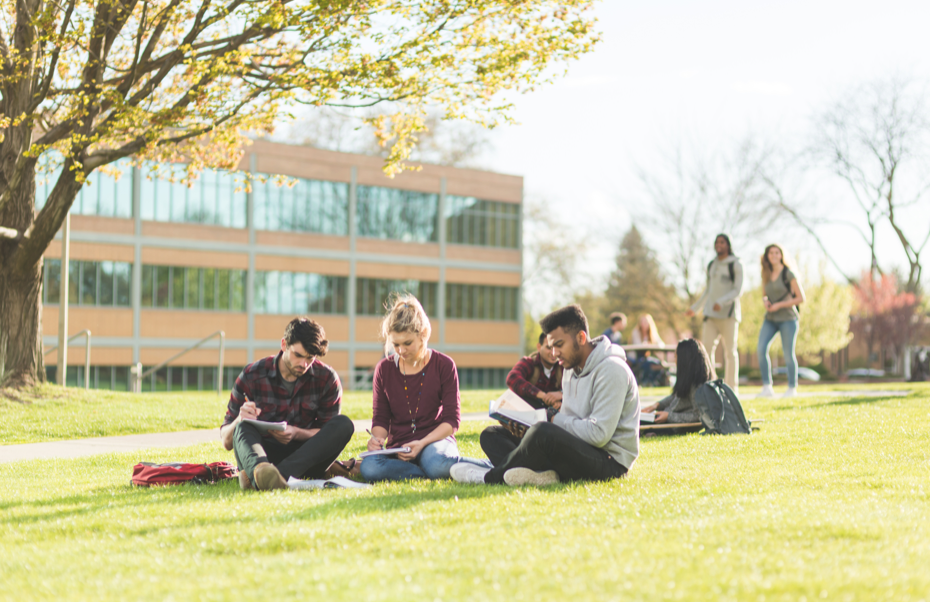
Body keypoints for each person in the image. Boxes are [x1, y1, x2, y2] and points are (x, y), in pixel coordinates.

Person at [450, 304, 640, 487]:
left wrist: (551, 419)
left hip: (609, 462)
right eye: (551, 346)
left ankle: (490, 477)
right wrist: (528, 429)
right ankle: (543, 475)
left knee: (543, 432)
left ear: (581, 338)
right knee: (492, 435)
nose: (555, 354)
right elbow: (568, 423)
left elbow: (598, 435)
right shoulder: (570, 368)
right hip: (579, 449)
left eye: (559, 345)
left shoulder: (612, 370)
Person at [359, 294, 492, 481]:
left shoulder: (444, 365)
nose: (401, 350)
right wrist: (377, 440)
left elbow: (451, 421)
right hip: (399, 448)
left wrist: (422, 443)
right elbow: (380, 417)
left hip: (435, 443)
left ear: (423, 335)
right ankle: (432, 472)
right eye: (395, 344)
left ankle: (492, 467)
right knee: (370, 468)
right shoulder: (384, 369)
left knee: (436, 462)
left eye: (407, 343)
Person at [220, 317, 355, 491]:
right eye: (298, 355)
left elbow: (327, 434)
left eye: (310, 358)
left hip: (305, 458)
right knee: (241, 426)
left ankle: (269, 477)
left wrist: (297, 433)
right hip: (262, 454)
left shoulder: (327, 378)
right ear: (284, 345)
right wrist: (240, 418)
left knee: (343, 424)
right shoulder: (252, 375)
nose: (303, 364)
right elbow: (226, 441)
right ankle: (262, 472)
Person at [479, 332, 563, 467]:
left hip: (551, 430)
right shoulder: (529, 363)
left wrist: (561, 394)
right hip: (525, 427)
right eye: (548, 347)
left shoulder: (564, 367)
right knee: (489, 435)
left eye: (555, 348)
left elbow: (578, 389)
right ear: (538, 347)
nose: (553, 353)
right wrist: (542, 395)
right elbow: (512, 379)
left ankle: (519, 466)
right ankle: (525, 466)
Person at [686, 233, 743, 391]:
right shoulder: (712, 265)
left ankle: (732, 388)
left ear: (728, 245)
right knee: (706, 350)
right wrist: (695, 308)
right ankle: (711, 385)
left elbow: (737, 290)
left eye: (722, 242)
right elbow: (708, 291)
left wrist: (722, 301)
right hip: (710, 315)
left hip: (729, 315)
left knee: (730, 352)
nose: (719, 245)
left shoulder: (735, 264)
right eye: (717, 242)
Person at [757, 244, 806, 397]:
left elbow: (801, 298)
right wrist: (766, 302)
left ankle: (792, 388)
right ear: (767, 256)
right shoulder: (765, 273)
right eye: (771, 253)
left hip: (788, 319)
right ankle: (767, 387)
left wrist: (779, 305)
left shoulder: (788, 273)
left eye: (777, 252)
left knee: (787, 353)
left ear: (781, 255)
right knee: (761, 349)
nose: (774, 255)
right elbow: (765, 294)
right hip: (771, 318)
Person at [641, 339, 713, 432]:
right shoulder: (688, 378)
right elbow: (677, 396)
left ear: (685, 360)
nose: (675, 361)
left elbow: (698, 416)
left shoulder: (698, 386)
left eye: (676, 357)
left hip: (674, 426)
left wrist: (668, 416)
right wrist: (657, 405)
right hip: (668, 419)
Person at [629, 313, 666, 386]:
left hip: (647, 357)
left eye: (645, 322)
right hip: (636, 357)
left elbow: (661, 344)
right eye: (642, 322)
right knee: (648, 364)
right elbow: (637, 345)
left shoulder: (652, 333)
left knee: (659, 364)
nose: (644, 324)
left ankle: (651, 381)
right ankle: (645, 382)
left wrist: (654, 345)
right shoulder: (636, 332)